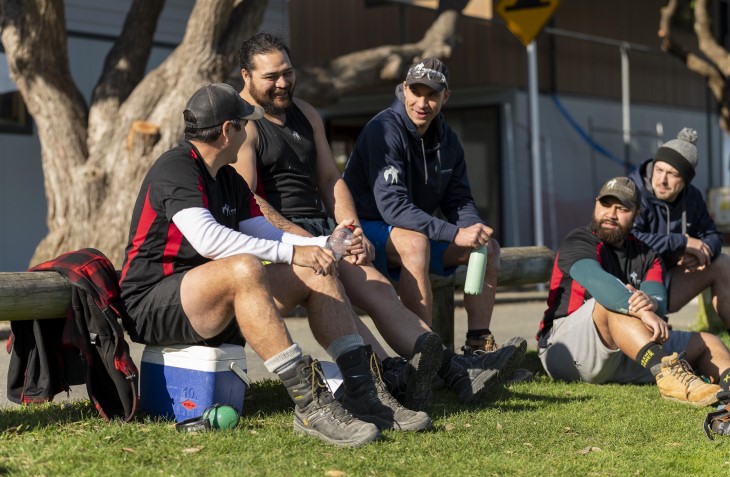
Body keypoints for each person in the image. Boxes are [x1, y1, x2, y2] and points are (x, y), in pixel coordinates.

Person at [119, 83, 432, 447]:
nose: (249, 129)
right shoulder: (176, 167)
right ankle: (310, 405)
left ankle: (364, 392)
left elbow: (273, 236)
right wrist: (294, 253)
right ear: (227, 130)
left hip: (205, 295)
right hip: (151, 302)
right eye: (244, 123)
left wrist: (330, 244)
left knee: (317, 267)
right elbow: (209, 241)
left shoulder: (227, 177)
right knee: (245, 268)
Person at [233, 33, 527, 408]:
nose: (283, 83)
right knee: (335, 286)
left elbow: (330, 179)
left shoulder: (305, 113)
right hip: (280, 241)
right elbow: (248, 199)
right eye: (271, 76)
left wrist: (350, 229)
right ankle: (418, 372)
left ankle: (442, 369)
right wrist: (307, 242)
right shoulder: (245, 125)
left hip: (327, 230)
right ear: (246, 75)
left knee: (379, 291)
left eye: (288, 73)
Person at [343, 56, 523, 360]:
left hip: (413, 232)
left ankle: (478, 346)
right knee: (416, 244)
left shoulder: (448, 139)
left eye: (432, 94)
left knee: (488, 248)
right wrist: (454, 232)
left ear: (446, 97)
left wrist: (472, 229)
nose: (422, 102)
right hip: (365, 230)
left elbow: (459, 200)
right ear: (403, 89)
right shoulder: (383, 129)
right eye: (416, 91)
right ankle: (424, 355)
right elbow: (392, 208)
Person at [538, 176, 730, 405]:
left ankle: (726, 389)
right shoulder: (579, 240)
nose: (611, 213)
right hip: (566, 348)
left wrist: (649, 304)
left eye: (622, 208)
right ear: (596, 204)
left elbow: (658, 300)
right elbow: (600, 284)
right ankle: (669, 375)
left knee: (708, 342)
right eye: (605, 205)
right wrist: (640, 309)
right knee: (608, 304)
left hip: (624, 347)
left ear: (637, 214)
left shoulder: (646, 254)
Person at [629, 128, 730, 331]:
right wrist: (682, 242)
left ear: (685, 180)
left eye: (672, 174)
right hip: (632, 285)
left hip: (668, 281)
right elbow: (629, 240)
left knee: (721, 263)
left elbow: (712, 235)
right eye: (659, 170)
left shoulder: (692, 198)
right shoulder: (633, 192)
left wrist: (702, 252)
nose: (662, 180)